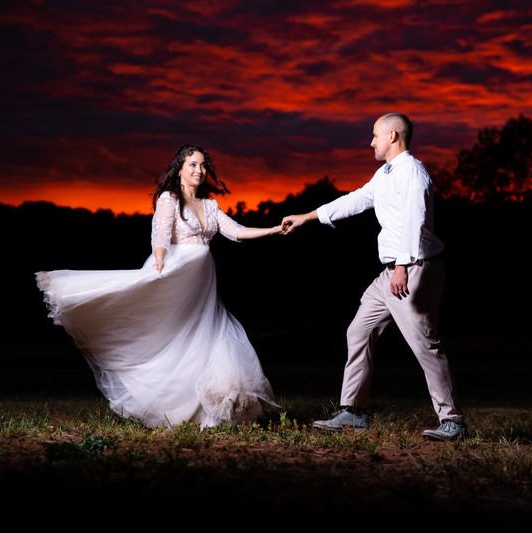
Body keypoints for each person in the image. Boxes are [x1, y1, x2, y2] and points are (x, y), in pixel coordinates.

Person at [36, 144, 284, 429]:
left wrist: (273, 230)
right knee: (174, 335)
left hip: (202, 286)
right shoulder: (170, 199)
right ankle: (172, 404)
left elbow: (237, 231)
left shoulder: (210, 206)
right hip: (177, 274)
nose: (199, 171)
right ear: (180, 168)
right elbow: (161, 235)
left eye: (203, 166)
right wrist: (160, 259)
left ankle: (208, 414)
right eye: (192, 164)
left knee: (206, 338)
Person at [281, 112, 467, 441]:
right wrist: (307, 217)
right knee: (358, 331)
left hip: (413, 268)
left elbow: (415, 220)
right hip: (391, 274)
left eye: (375, 136)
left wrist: (401, 267)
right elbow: (355, 201)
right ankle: (352, 411)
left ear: (393, 136)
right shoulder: (385, 174)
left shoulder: (413, 172)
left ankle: (452, 421)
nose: (371, 142)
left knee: (426, 345)